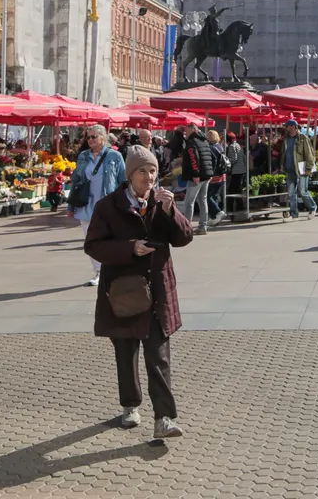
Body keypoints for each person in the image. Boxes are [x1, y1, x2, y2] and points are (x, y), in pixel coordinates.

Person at [84, 145, 193, 439]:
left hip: (157, 292)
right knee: (126, 354)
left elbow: (184, 238)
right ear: (130, 175)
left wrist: (172, 212)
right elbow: (93, 246)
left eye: (153, 171)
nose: (149, 177)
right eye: (142, 171)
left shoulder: (161, 202)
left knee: (159, 358)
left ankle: (164, 418)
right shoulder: (108, 206)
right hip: (123, 293)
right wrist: (130, 247)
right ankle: (130, 405)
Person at [70, 125, 127, 284]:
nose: (90, 140)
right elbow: (76, 181)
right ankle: (98, 272)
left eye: (93, 137)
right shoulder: (83, 156)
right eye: (88, 137)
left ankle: (113, 269)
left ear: (103, 138)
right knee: (91, 241)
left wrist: (125, 202)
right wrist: (70, 206)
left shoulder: (114, 156)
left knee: (110, 238)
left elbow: (123, 180)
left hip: (108, 204)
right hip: (86, 204)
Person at [180, 122, 214, 235]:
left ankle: (187, 226)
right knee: (202, 200)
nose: (185, 133)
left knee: (189, 202)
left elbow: (194, 158)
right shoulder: (204, 141)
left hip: (197, 176)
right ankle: (203, 226)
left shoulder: (192, 142)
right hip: (206, 174)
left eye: (186, 131)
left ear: (191, 130)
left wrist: (195, 174)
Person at [282, 119, 318, 220]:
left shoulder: (303, 138)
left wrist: (309, 168)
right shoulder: (286, 139)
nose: (286, 128)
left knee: (303, 191)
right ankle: (294, 214)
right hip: (289, 170)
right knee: (291, 193)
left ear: (293, 127)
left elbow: (309, 154)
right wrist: (282, 165)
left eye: (287, 126)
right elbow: (284, 154)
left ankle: (312, 207)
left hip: (301, 169)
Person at [205, 129, 228, 225]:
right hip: (222, 175)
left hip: (214, 176)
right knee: (214, 196)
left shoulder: (210, 148)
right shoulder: (220, 147)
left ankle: (218, 212)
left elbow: (211, 163)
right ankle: (215, 218)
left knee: (207, 196)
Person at [226, 132, 247, 197]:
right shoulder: (238, 145)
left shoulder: (232, 146)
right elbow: (243, 157)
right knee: (237, 190)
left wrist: (226, 161)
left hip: (236, 171)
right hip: (241, 170)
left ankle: (231, 206)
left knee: (231, 191)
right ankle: (239, 206)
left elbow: (233, 159)